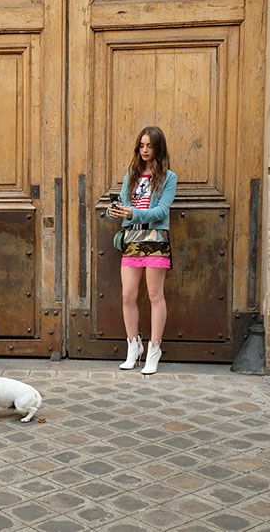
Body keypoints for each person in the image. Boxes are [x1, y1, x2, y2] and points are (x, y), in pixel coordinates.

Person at [108, 126, 177, 375]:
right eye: (141, 145)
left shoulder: (168, 177)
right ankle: (133, 346)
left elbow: (161, 211)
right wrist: (116, 211)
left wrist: (133, 212)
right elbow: (125, 206)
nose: (145, 150)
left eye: (149, 146)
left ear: (158, 148)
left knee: (155, 294)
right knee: (128, 294)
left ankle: (154, 349)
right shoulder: (132, 175)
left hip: (155, 240)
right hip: (132, 238)